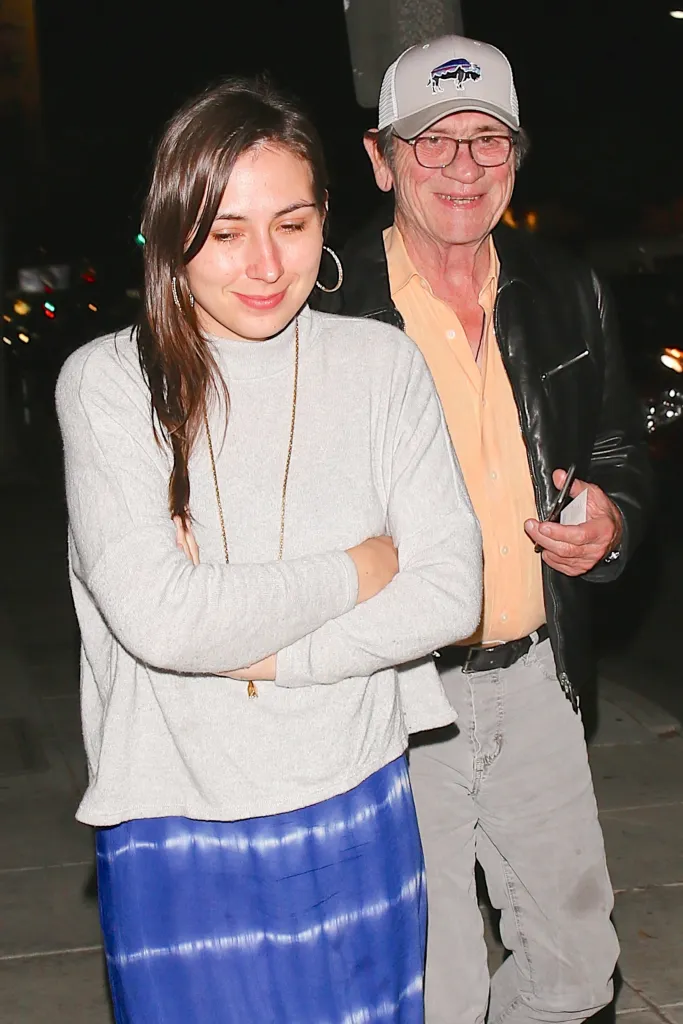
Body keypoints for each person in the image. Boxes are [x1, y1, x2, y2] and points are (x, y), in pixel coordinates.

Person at [55, 78, 482, 1023]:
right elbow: (164, 618)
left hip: (356, 794)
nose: (262, 264)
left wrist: (266, 647)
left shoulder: (381, 365)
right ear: (172, 234)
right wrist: (363, 569)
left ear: (325, 219)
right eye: (223, 231)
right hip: (180, 813)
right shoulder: (109, 385)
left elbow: (453, 592)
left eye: (290, 224)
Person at [315, 34, 651, 1024]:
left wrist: (609, 523)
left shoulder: (566, 291)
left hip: (534, 680)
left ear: (515, 153)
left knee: (574, 970)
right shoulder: (325, 306)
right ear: (379, 158)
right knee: (437, 989)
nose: (463, 167)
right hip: (393, 705)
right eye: (432, 142)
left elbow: (618, 459)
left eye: (486, 140)